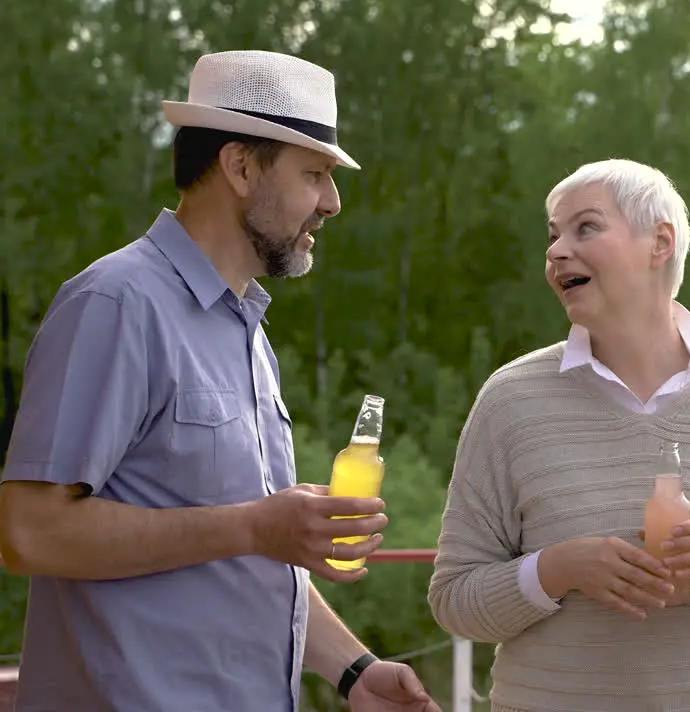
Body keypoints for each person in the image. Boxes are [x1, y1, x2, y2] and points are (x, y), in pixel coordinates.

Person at [0, 50, 440, 712]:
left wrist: (354, 670)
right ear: (239, 167)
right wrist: (253, 528)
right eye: (315, 174)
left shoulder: (246, 331)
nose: (332, 203)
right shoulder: (117, 304)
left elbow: (251, 550)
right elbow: (29, 532)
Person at [427, 159, 690, 711]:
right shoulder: (509, 398)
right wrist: (558, 568)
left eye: (585, 228)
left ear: (659, 242)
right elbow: (455, 599)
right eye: (552, 235)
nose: (556, 251)